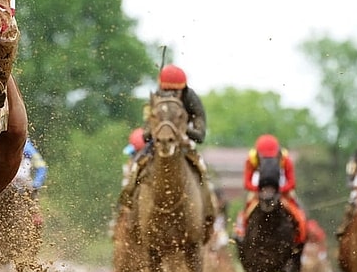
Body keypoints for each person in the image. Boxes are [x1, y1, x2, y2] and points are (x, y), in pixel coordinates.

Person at [118, 64, 215, 236]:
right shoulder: (155, 98)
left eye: (175, 91)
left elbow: (200, 134)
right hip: (157, 142)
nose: (170, 94)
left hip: (183, 142)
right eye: (166, 90)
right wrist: (160, 128)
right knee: (136, 167)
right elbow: (146, 134)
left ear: (183, 90)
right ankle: (129, 211)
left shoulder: (192, 98)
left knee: (202, 170)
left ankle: (208, 215)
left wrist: (181, 130)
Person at [233, 134, 307, 244]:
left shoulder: (285, 160)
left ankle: (300, 237)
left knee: (296, 211)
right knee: (247, 209)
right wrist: (259, 191)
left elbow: (291, 182)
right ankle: (241, 233)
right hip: (258, 192)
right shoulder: (251, 161)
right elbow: (247, 183)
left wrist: (280, 191)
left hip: (282, 191)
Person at [11, 138, 48, 226]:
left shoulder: (25, 145)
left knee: (31, 192)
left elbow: (42, 167)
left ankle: (35, 219)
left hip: (23, 182)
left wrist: (36, 184)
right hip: (5, 181)